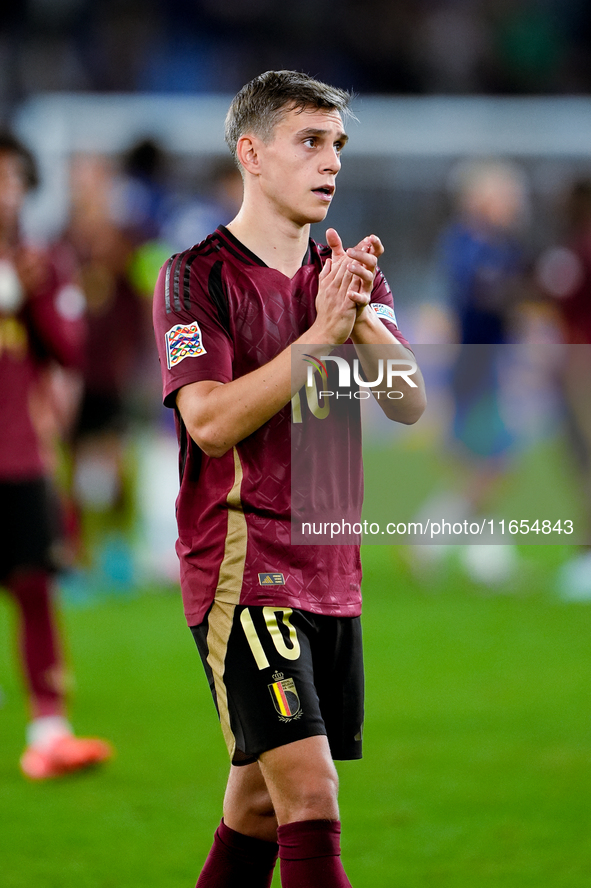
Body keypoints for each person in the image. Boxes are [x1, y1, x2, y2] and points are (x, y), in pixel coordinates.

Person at [152, 70, 426, 887]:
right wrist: (317, 336)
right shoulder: (194, 276)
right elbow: (207, 420)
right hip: (247, 568)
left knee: (256, 809)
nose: (330, 162)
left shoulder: (343, 275)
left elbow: (408, 403)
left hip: (330, 570)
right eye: (309, 141)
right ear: (252, 154)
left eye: (336, 144)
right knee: (309, 792)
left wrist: (356, 318)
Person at [0, 131, 113, 779]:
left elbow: (69, 350)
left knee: (34, 584)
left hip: (17, 453)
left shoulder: (43, 262)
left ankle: (49, 724)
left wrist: (31, 296)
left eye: (14, 179)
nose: (6, 192)